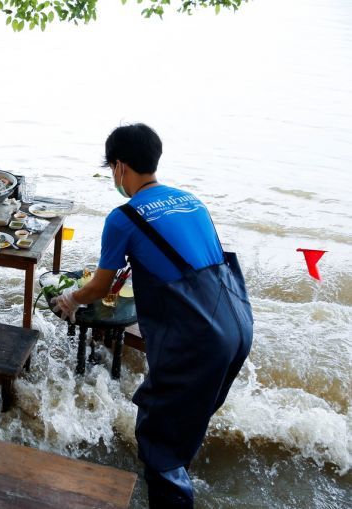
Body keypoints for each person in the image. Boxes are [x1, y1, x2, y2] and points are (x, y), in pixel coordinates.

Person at [52, 123, 253, 508]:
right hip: (238, 325)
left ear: (120, 167)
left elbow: (99, 287)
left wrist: (71, 300)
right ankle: (177, 479)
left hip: (199, 338)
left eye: (112, 168)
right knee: (181, 427)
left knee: (159, 443)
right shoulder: (192, 201)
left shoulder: (123, 217)